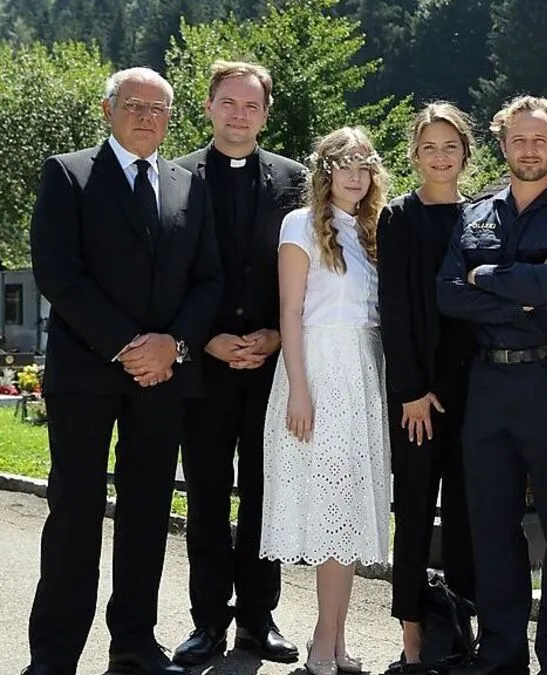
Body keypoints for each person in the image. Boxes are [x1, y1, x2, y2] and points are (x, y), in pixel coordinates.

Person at [25, 66, 222, 675]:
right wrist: (129, 345)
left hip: (163, 380)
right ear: (108, 109)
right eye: (133, 104)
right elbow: (59, 273)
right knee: (75, 513)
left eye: (157, 108)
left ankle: (134, 643)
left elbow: (208, 280)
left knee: (147, 513)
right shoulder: (69, 173)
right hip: (86, 374)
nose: (145, 116)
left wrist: (174, 346)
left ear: (170, 119)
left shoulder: (189, 184)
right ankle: (54, 654)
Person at [436, 95, 547, 675]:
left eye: (539, 140)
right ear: (503, 145)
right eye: (518, 140)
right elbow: (448, 294)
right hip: (487, 384)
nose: (529, 151)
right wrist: (519, 297)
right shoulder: (475, 214)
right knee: (492, 522)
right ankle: (501, 652)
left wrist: (485, 277)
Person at [171, 59, 307, 667]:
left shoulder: (295, 180)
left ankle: (257, 618)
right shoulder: (175, 177)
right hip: (203, 366)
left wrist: (277, 335)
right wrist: (203, 339)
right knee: (205, 494)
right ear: (208, 106)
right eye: (228, 102)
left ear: (266, 114)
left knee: (264, 493)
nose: (239, 114)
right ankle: (207, 621)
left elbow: (308, 271)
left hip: (270, 367)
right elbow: (167, 274)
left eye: (252, 105)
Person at [258, 127, 391, 675]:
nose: (355, 176)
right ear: (326, 171)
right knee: (331, 510)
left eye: (364, 166)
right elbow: (289, 312)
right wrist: (299, 388)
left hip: (364, 372)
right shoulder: (300, 224)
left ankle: (334, 639)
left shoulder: (374, 228)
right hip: (317, 371)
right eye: (345, 165)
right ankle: (322, 639)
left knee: (352, 512)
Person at [377, 102, 478, 670]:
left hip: (472, 393)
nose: (440, 157)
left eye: (450, 146)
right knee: (413, 515)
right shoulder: (398, 217)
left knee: (468, 518)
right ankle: (413, 642)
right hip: (416, 398)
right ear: (415, 154)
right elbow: (393, 309)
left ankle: (462, 634)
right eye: (429, 147)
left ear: (465, 153)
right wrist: (411, 390)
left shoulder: (482, 214)